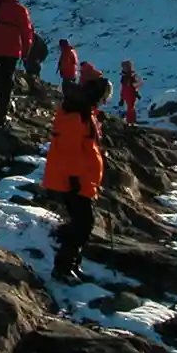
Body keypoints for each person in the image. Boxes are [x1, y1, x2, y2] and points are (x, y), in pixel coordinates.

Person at [44, 62, 112, 283]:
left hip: (81, 178)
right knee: (82, 224)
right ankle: (62, 268)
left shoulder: (81, 109)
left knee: (81, 223)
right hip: (73, 179)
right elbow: (69, 149)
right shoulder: (76, 113)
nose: (104, 101)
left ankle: (71, 265)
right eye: (103, 96)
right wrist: (74, 178)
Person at [119, 60, 143, 125]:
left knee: (130, 107)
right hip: (128, 94)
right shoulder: (126, 77)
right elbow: (124, 88)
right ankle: (131, 121)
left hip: (130, 94)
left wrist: (136, 92)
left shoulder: (131, 76)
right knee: (130, 107)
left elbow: (138, 84)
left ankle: (131, 121)